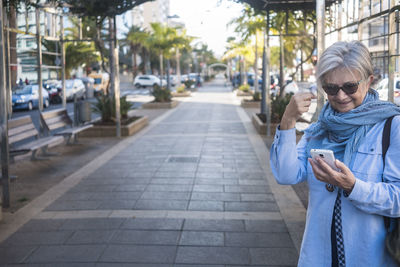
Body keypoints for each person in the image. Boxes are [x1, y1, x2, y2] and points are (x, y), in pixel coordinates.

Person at [270, 40, 400, 266]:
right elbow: (286, 175)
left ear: (368, 81)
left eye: (350, 87)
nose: (340, 96)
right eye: (331, 88)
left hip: (369, 257)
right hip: (319, 256)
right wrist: (288, 120)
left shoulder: (391, 127)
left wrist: (352, 187)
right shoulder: (320, 128)